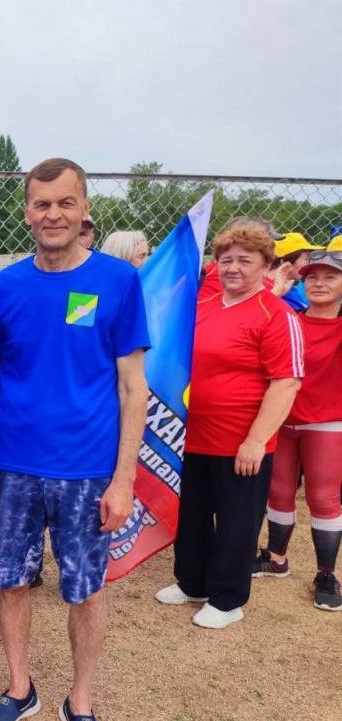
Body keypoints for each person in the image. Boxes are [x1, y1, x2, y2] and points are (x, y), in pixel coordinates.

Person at [0, 158, 150, 721]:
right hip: (13, 467)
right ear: (26, 211)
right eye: (42, 204)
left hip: (88, 470)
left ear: (84, 209)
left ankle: (82, 703)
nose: (53, 214)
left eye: (65, 203)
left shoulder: (118, 283)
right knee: (10, 580)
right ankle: (20, 688)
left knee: (84, 590)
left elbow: (133, 387)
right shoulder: (4, 287)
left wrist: (124, 478)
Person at [156, 225, 303, 629]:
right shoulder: (204, 305)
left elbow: (286, 383)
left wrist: (256, 440)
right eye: (226, 260)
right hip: (191, 436)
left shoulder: (276, 314)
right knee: (193, 515)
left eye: (244, 260)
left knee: (237, 522)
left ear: (267, 265)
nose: (233, 268)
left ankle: (227, 598)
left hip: (241, 441)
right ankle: (193, 582)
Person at [256, 248, 342, 610]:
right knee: (278, 492)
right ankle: (276, 558)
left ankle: (326, 574)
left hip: (326, 423)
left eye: (330, 277)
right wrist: (274, 290)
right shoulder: (288, 317)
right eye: (312, 277)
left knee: (323, 498)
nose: (319, 283)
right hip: (282, 418)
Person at [272, 232, 323, 311]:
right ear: (285, 262)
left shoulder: (290, 289)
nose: (308, 264)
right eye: (306, 259)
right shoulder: (270, 290)